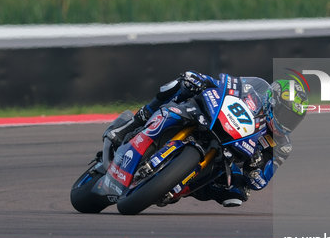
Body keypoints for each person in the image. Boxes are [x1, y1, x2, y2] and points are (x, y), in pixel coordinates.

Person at [105, 71, 308, 207]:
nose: (288, 123)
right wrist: (204, 80)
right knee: (185, 82)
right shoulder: (258, 89)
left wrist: (255, 165)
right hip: (215, 118)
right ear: (272, 100)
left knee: (237, 194)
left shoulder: (281, 146)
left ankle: (178, 185)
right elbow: (230, 85)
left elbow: (259, 181)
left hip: (231, 159)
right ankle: (133, 124)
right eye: (286, 115)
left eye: (294, 120)